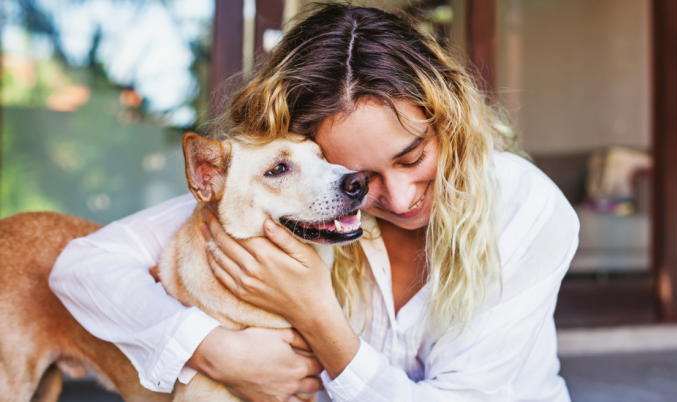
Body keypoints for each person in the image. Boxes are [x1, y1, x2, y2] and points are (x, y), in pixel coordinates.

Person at [50, 4, 579, 402]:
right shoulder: (301, 197)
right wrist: (214, 350)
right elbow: (81, 267)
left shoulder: (525, 206)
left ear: (449, 121)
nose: (399, 200)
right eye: (357, 179)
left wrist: (316, 313)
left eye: (413, 157)